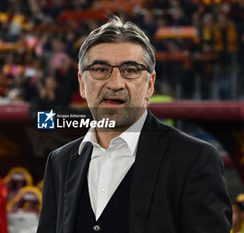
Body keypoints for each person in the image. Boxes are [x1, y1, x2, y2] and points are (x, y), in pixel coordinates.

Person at [36, 16, 232, 233]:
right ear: (82, 83)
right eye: (101, 69)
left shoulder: (194, 159)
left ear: (150, 85)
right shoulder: (60, 162)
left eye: (130, 70)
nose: (115, 83)